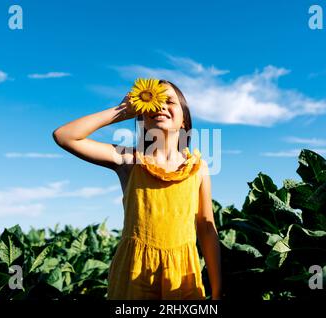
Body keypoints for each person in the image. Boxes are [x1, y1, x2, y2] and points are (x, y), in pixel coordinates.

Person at [52, 79, 222, 300]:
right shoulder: (129, 160)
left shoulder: (198, 169)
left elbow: (206, 229)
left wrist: (217, 290)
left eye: (169, 101)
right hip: (134, 271)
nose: (160, 106)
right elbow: (64, 136)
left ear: (184, 121)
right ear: (141, 118)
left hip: (182, 275)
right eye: (152, 102)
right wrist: (123, 111)